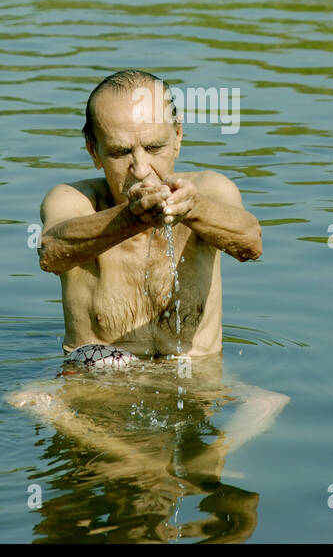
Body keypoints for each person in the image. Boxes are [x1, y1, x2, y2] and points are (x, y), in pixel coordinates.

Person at [37, 69, 262, 358]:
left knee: (269, 402)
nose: (141, 169)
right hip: (98, 382)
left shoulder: (209, 190)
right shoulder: (74, 199)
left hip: (197, 382)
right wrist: (131, 217)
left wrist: (194, 209)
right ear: (93, 151)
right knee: (26, 401)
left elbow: (251, 244)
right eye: (120, 152)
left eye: (154, 147)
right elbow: (51, 253)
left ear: (178, 136)